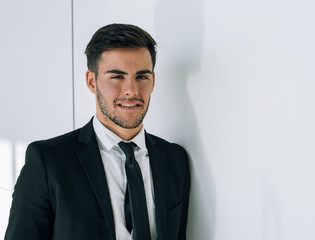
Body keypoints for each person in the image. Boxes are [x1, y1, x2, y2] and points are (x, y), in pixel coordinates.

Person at [5, 23, 190, 240]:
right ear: (92, 82)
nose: (131, 90)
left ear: (153, 81)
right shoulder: (48, 161)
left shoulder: (175, 159)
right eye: (117, 76)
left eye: (142, 76)